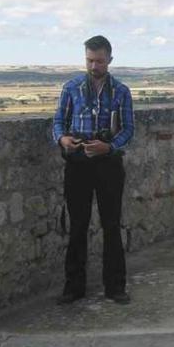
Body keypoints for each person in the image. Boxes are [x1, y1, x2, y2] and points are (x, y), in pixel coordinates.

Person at [52, 35, 135, 305]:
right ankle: (73, 287)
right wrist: (63, 140)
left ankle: (115, 286)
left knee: (111, 225)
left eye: (99, 61)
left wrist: (108, 148)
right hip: (78, 163)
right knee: (77, 226)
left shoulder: (121, 91)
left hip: (108, 164)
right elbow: (58, 123)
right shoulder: (71, 87)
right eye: (89, 60)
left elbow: (128, 129)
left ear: (110, 60)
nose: (93, 65)